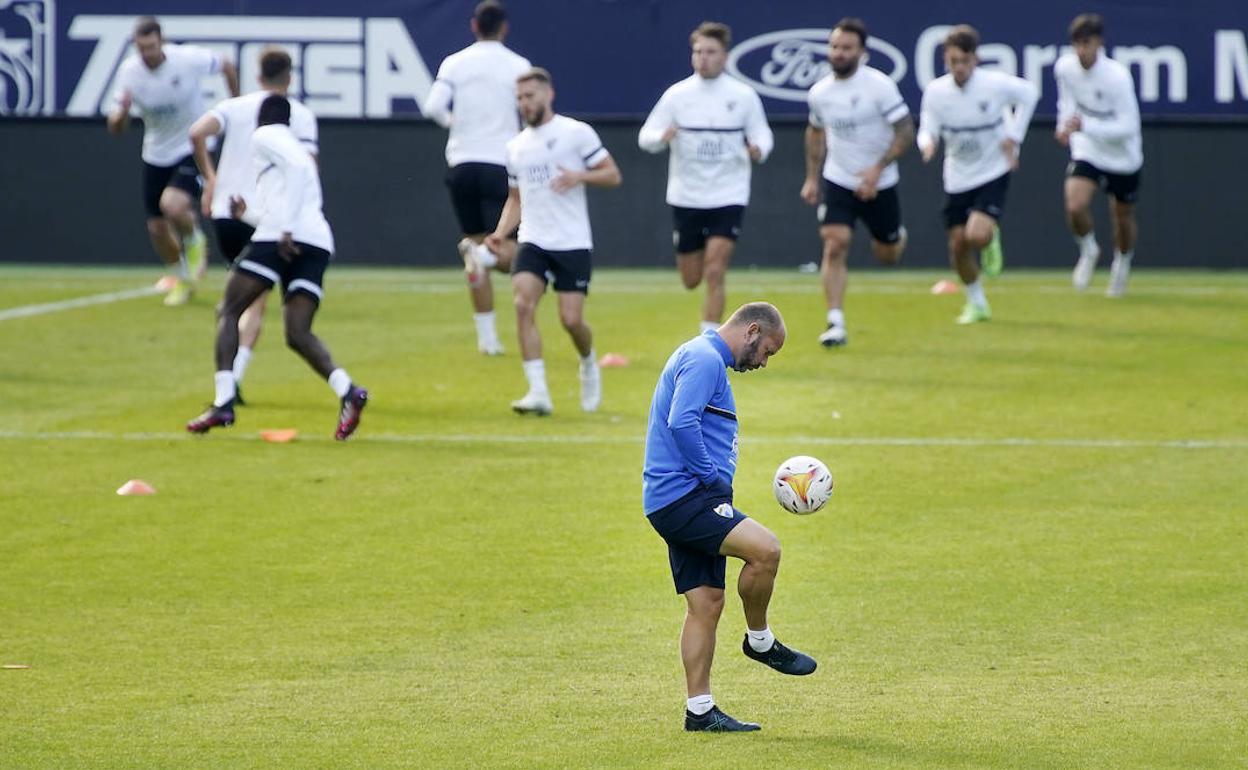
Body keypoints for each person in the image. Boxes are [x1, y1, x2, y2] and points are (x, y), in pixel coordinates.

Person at [643, 302, 816, 733]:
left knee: (706, 605)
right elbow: (681, 423)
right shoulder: (703, 359)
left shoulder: (702, 358)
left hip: (674, 499)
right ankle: (760, 641)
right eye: (766, 352)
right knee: (766, 550)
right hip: (686, 497)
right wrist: (711, 479)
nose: (763, 362)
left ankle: (699, 711)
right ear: (752, 330)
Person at [186, 95, 368, 440]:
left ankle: (224, 401)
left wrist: (284, 228)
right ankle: (349, 391)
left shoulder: (264, 137)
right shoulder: (293, 146)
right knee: (298, 333)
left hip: (283, 236)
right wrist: (249, 215)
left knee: (229, 309)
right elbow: (296, 187)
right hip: (316, 239)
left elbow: (300, 174)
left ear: (261, 118)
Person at [486, 68, 621, 416]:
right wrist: (501, 233)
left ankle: (589, 363)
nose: (524, 103)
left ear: (548, 95)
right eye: (519, 98)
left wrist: (580, 175)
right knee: (522, 305)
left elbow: (612, 175)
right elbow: (515, 199)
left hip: (572, 241)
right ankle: (538, 391)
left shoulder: (576, 133)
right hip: (533, 240)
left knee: (571, 320)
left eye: (529, 96)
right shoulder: (515, 147)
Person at [188, 47, 318, 399]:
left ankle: (226, 384)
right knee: (254, 302)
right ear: (289, 77)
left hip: (227, 214)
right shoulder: (300, 115)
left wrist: (211, 179)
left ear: (258, 76)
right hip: (267, 217)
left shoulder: (235, 106)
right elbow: (306, 167)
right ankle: (234, 381)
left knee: (236, 300)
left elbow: (197, 132)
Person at [639, 21, 773, 334]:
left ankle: (708, 339)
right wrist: (662, 137)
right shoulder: (677, 95)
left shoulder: (743, 96)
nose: (703, 57)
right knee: (691, 278)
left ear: (724, 56)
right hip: (687, 195)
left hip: (729, 194)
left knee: (715, 270)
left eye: (710, 52)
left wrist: (759, 148)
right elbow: (646, 137)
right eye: (698, 51)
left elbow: (762, 134)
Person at [106, 15, 239, 306]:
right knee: (156, 228)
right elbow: (116, 128)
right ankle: (181, 278)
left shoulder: (187, 59)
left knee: (173, 205)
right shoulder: (129, 73)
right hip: (156, 152)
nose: (148, 54)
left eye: (152, 47)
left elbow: (227, 65)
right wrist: (122, 114)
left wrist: (236, 109)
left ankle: (194, 241)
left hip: (193, 145)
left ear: (161, 41)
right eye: (142, 48)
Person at [423, 0, 531, 355]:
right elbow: (528, 110)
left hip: (463, 163)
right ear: (504, 28)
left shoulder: (454, 63)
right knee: (510, 251)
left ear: (473, 26)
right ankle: (484, 255)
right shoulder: (518, 66)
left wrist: (455, 125)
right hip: (502, 163)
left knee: (476, 246)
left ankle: (487, 340)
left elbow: (433, 106)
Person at [801, 17, 914, 347]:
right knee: (834, 243)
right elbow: (815, 132)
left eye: (846, 48)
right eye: (834, 46)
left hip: (881, 182)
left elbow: (905, 131)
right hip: (838, 179)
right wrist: (811, 178)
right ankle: (835, 322)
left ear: (862, 52)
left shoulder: (879, 86)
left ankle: (895, 237)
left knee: (888, 254)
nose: (838, 53)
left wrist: (877, 170)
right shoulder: (819, 93)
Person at [917, 25, 1038, 324]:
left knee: (977, 234)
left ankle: (989, 238)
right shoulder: (936, 92)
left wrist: (1014, 135)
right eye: (953, 61)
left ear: (976, 59)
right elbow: (927, 127)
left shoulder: (994, 84)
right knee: (958, 245)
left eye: (965, 61)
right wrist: (928, 143)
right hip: (957, 175)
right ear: (946, 59)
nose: (959, 67)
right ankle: (977, 303)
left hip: (993, 169)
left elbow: (1030, 93)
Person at [1055, 13, 1142, 298]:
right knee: (1075, 205)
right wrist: (1064, 126)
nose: (1081, 51)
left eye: (1087, 44)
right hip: (1088, 150)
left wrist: (1086, 126)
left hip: (1122, 156)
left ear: (1099, 44)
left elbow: (1128, 127)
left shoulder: (1117, 77)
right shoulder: (1065, 68)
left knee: (1122, 218)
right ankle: (1089, 250)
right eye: (1076, 44)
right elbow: (1067, 103)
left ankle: (1122, 264)